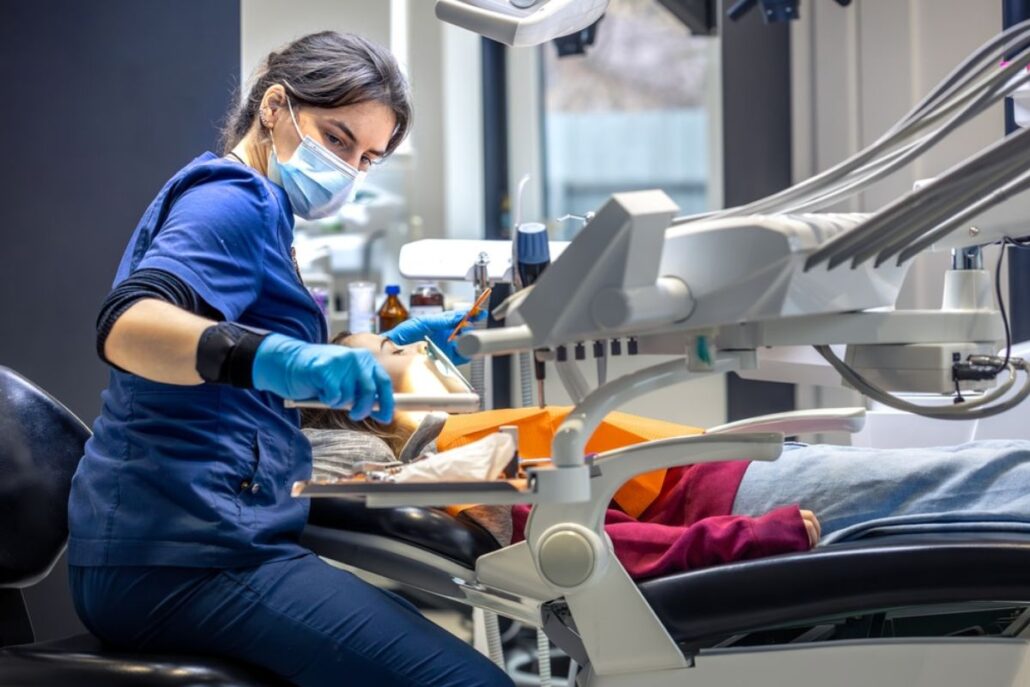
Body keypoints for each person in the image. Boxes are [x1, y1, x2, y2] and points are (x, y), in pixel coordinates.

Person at [68, 32, 513, 687]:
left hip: (192, 540)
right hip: (181, 556)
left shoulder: (264, 211)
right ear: (275, 106)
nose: (350, 169)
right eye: (337, 139)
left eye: (367, 158)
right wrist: (284, 359)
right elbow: (129, 327)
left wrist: (375, 351)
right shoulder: (233, 199)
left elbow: (237, 366)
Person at [309, 332, 1030, 581]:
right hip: (747, 502)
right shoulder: (465, 463)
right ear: (366, 400)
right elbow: (586, 541)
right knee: (984, 478)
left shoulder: (469, 438)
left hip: (742, 474)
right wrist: (752, 537)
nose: (416, 345)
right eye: (392, 349)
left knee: (981, 470)